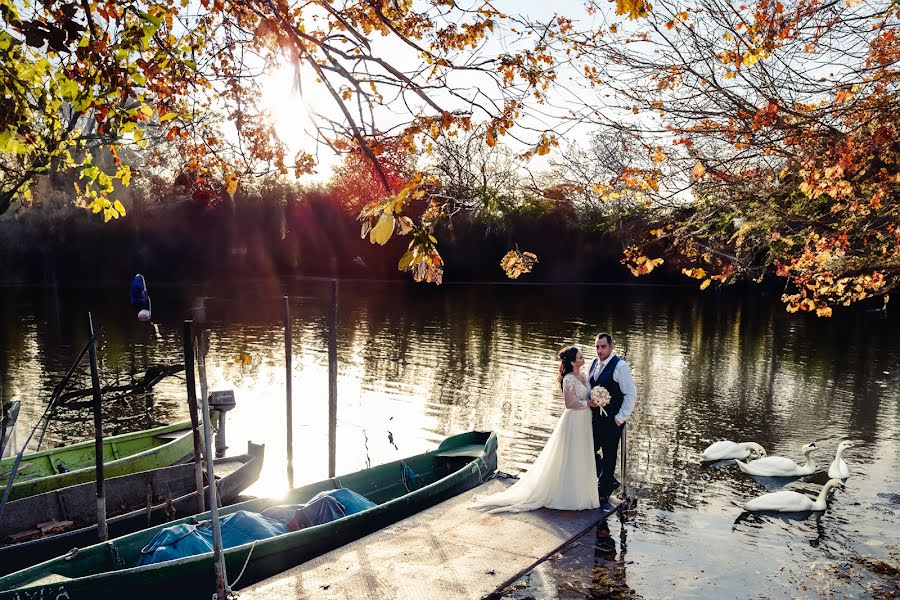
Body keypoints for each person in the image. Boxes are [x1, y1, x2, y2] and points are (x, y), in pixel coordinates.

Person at [471, 346, 603, 512]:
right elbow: (569, 404)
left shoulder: (583, 375)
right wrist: (587, 403)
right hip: (573, 420)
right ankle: (566, 495)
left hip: (584, 420)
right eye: (580, 357)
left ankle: (582, 494)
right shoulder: (569, 378)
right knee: (570, 456)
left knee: (582, 455)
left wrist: (597, 398)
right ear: (572, 362)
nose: (583, 358)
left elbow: (586, 395)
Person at [588, 332, 637, 508]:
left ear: (611, 347)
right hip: (594, 419)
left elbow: (631, 394)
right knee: (587, 451)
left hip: (612, 420)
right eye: (597, 347)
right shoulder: (594, 363)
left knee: (609, 456)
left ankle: (603, 491)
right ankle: (610, 481)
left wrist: (619, 418)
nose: (599, 351)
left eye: (603, 347)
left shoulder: (620, 366)